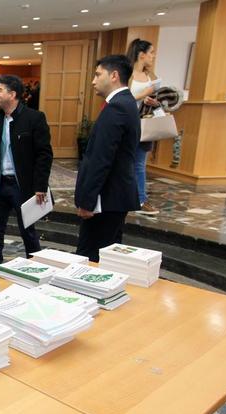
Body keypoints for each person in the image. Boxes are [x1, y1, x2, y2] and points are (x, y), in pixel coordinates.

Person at [0, 75, 53, 270]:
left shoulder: (34, 118)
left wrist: (40, 185)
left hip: (22, 186)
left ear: (13, 94)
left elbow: (44, 154)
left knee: (28, 231)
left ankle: (36, 268)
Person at [74, 55, 140, 262]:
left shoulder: (117, 107)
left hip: (107, 198)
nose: (93, 81)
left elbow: (101, 159)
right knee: (106, 256)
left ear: (114, 76)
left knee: (90, 257)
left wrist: (87, 201)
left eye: (97, 74)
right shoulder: (126, 103)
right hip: (114, 197)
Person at [127, 38, 160, 215]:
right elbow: (121, 100)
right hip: (127, 124)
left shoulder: (152, 77)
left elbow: (162, 100)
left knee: (139, 163)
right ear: (141, 54)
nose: (153, 56)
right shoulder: (126, 75)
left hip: (144, 125)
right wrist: (143, 94)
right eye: (151, 52)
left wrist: (155, 102)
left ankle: (140, 199)